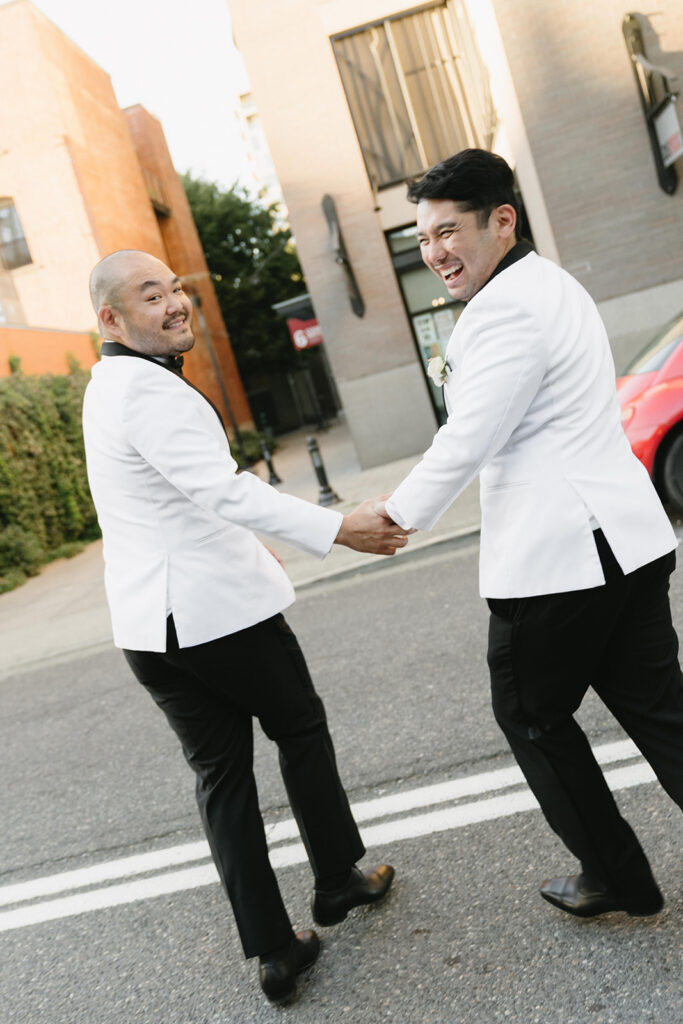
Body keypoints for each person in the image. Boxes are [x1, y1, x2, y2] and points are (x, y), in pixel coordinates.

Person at [83, 250, 406, 1005]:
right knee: (299, 727)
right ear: (111, 318)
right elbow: (220, 488)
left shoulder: (108, 388)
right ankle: (336, 882)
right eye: (149, 295)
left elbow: (171, 498)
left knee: (221, 781)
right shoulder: (150, 392)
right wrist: (335, 529)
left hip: (148, 631)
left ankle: (273, 950)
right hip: (215, 620)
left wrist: (241, 539)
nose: (173, 304)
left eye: (175, 289)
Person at [376, 149, 683, 920]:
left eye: (448, 231)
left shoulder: (504, 308)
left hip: (559, 565)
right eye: (422, 240)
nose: (435, 253)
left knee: (532, 716)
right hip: (625, 546)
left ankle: (616, 876)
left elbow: (468, 436)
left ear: (500, 219)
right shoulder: (552, 284)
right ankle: (619, 874)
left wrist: (393, 517)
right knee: (660, 711)